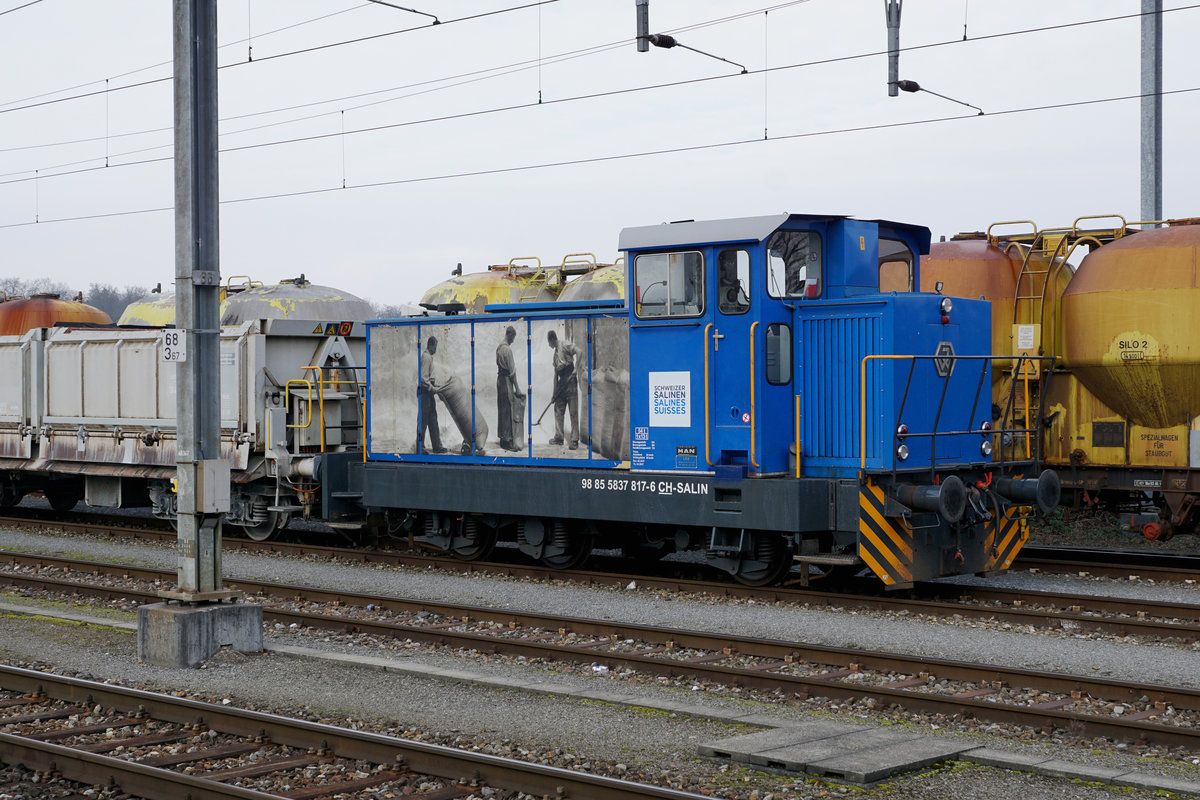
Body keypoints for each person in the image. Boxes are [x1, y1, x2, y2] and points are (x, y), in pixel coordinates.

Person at [546, 329, 579, 450]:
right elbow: (555, 376)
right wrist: (554, 394)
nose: (548, 345)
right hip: (561, 382)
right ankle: (559, 438)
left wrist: (576, 370)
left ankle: (574, 440)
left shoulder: (565, 345)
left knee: (573, 412)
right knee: (558, 410)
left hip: (570, 379)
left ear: (552, 340)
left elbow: (579, 352)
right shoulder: (555, 355)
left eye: (548, 342)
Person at [496, 326, 524, 452]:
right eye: (513, 337)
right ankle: (507, 441)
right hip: (506, 380)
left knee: (501, 408)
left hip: (499, 380)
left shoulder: (499, 348)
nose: (513, 340)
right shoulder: (507, 350)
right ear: (510, 334)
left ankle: (502, 438)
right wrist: (517, 388)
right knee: (507, 409)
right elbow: (512, 372)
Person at [417, 336, 446, 454]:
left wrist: (436, 386)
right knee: (423, 420)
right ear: (431, 345)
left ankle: (437, 446)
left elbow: (429, 377)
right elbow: (423, 379)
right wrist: (432, 388)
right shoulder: (426, 357)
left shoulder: (428, 357)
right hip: (424, 392)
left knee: (433, 419)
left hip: (428, 392)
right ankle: (420, 447)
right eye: (435, 346)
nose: (436, 349)